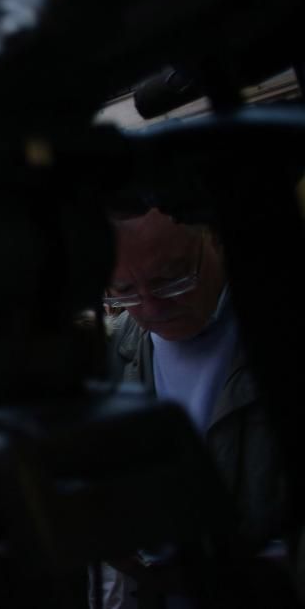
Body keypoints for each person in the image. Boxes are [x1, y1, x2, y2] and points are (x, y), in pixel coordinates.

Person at [97, 207, 289, 607]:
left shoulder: (282, 331)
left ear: (215, 239)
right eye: (124, 290)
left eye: (172, 279)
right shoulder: (117, 352)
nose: (151, 308)